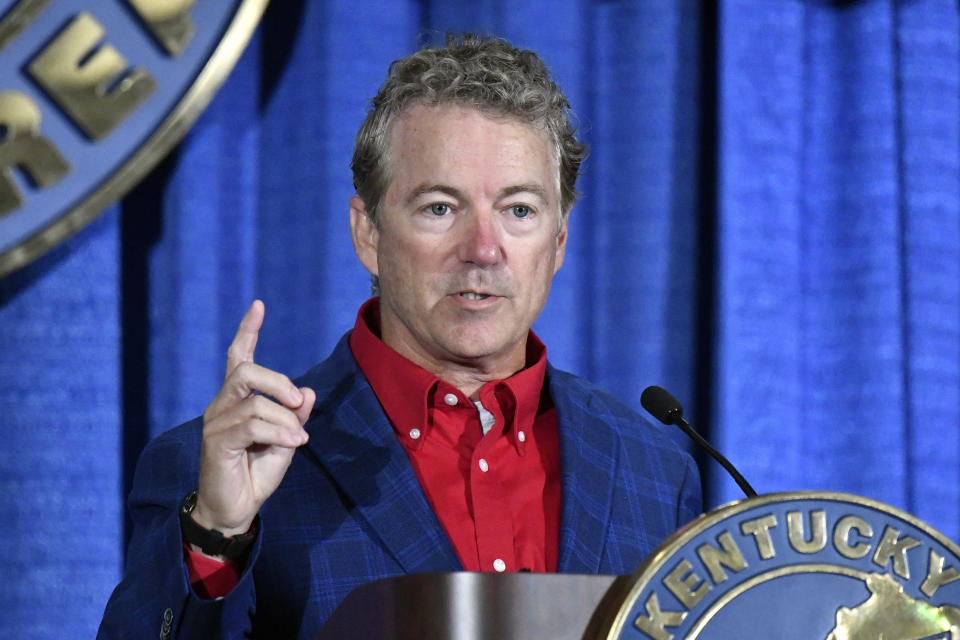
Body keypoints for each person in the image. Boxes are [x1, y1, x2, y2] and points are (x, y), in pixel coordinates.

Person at [98, 34, 702, 639]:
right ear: (368, 234)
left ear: (559, 242)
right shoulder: (226, 468)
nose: (483, 250)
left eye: (519, 210)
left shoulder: (651, 469)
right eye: (441, 208)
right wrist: (216, 537)